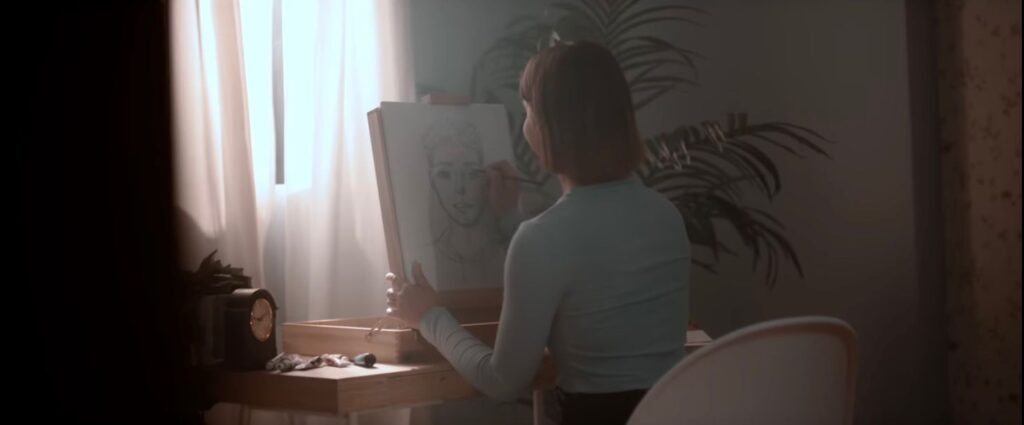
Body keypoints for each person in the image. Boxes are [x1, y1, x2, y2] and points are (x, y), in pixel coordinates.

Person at [388, 41, 691, 425]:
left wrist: (429, 316)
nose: (525, 124)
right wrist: (510, 219)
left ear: (550, 129)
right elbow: (588, 271)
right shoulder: (665, 216)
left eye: (528, 112)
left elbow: (502, 381)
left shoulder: (542, 239)